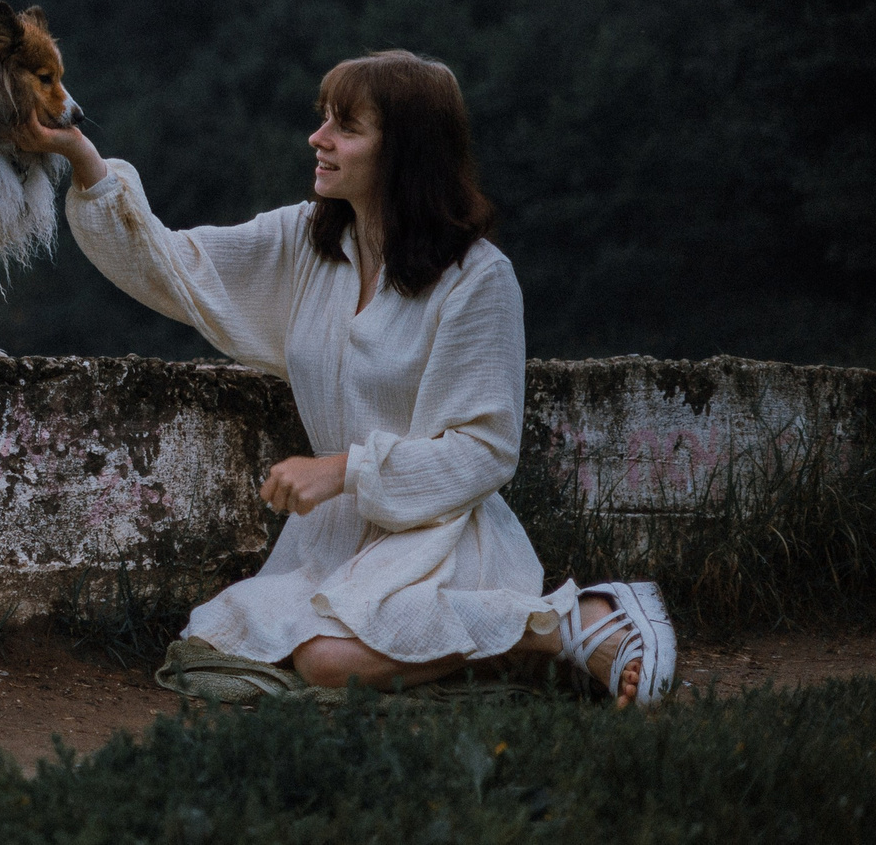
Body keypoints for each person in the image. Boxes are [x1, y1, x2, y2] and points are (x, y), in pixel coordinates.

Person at [36, 49, 675, 706]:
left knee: (324, 661)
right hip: (331, 542)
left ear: (404, 153)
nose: (319, 139)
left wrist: (342, 471)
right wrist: (86, 162)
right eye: (324, 120)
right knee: (219, 637)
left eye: (347, 127)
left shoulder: (479, 279)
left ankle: (572, 622)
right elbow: (177, 267)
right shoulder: (306, 242)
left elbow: (485, 451)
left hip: (439, 534)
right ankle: (518, 648)